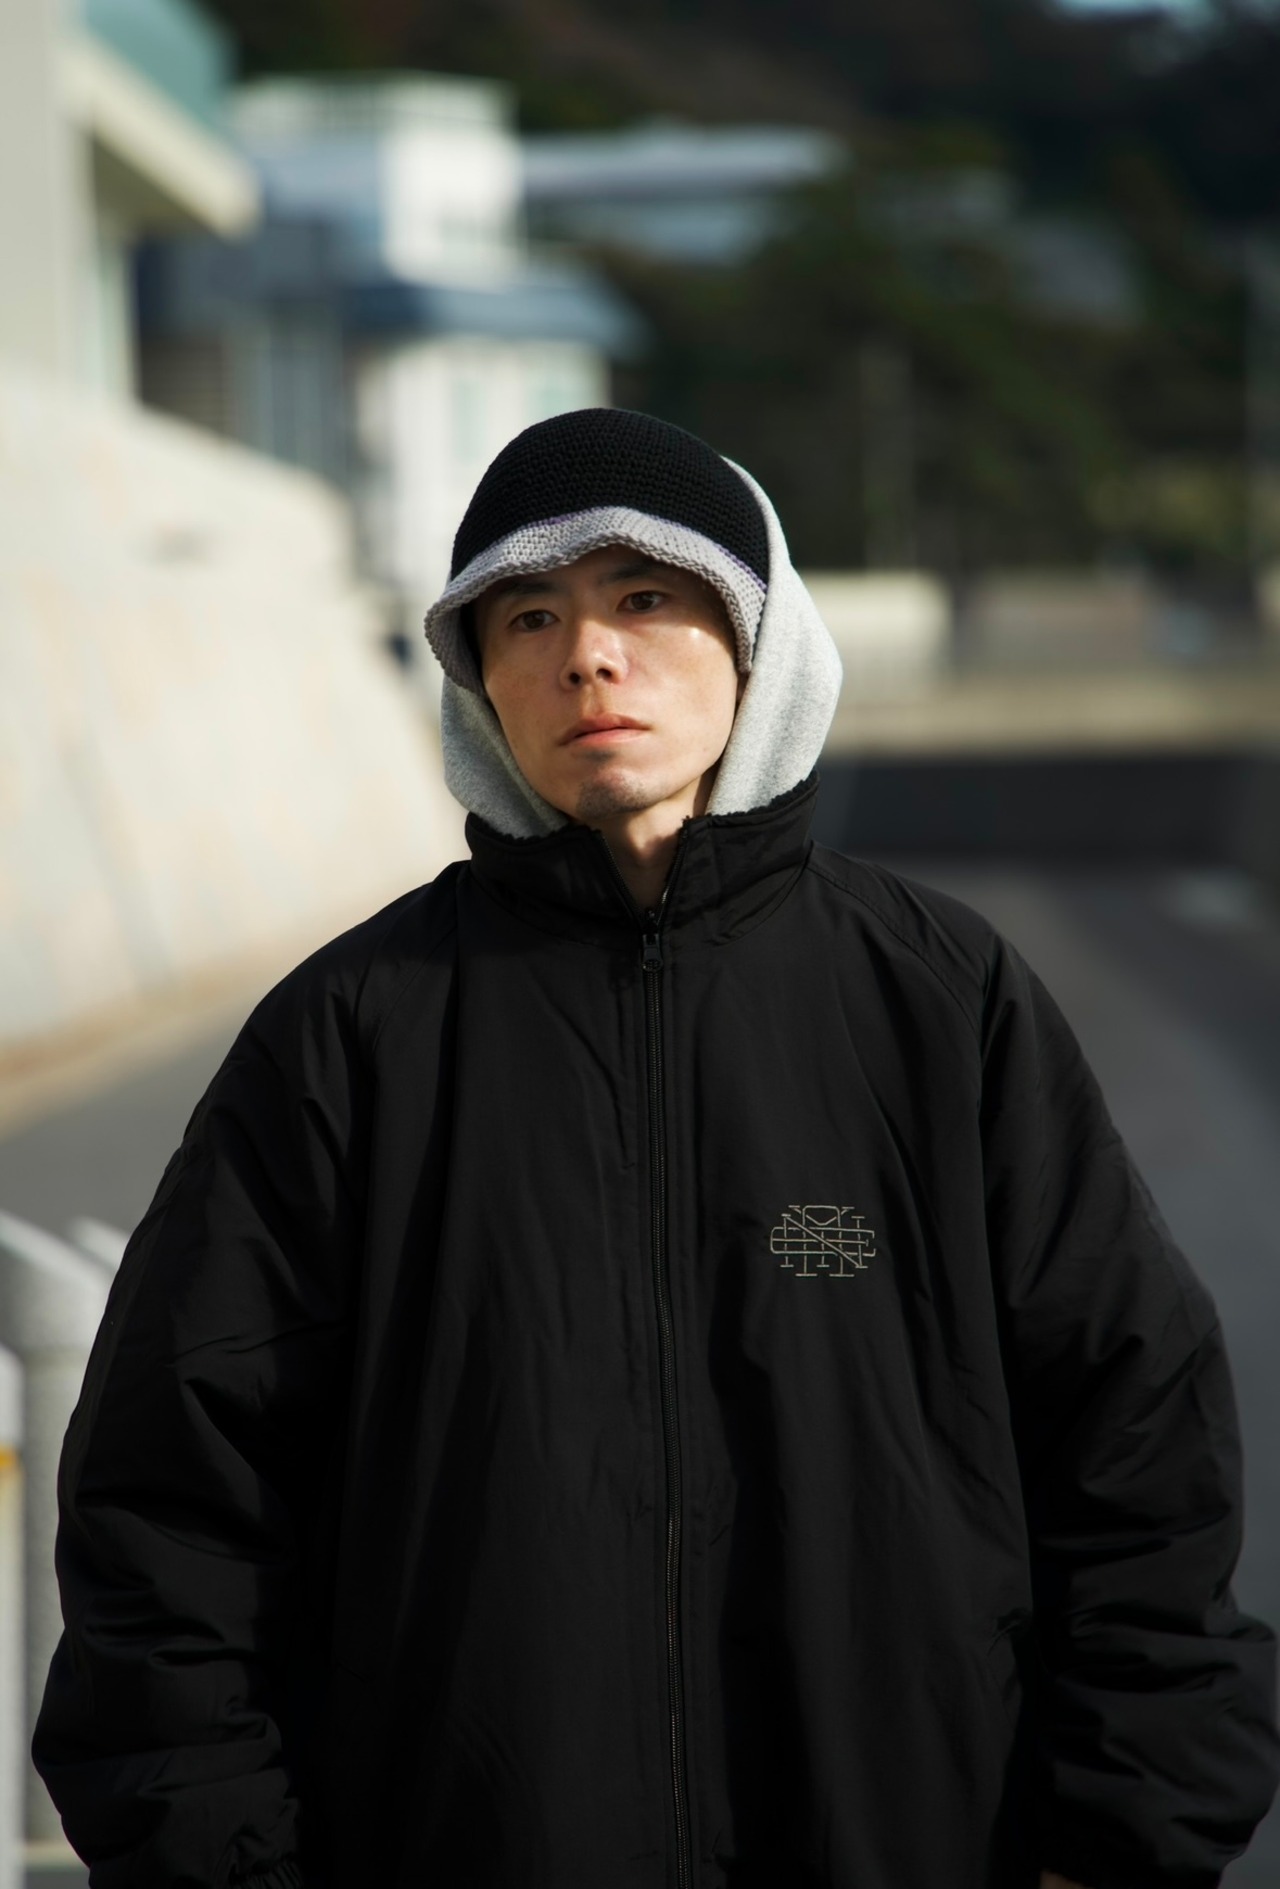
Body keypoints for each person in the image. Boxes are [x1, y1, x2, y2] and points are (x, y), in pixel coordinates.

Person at [35, 408, 1278, 1888]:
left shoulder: (942, 1002)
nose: (587, 656)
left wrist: (1115, 1842)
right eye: (528, 615)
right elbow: (170, 1510)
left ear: (757, 640)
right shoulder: (351, 1033)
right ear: (477, 678)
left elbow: (1138, 1448)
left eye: (644, 596)